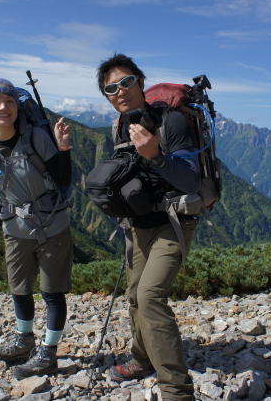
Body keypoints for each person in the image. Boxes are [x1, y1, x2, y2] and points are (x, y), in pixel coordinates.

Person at [96, 54, 200, 401]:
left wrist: (156, 155)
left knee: (150, 296)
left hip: (174, 222)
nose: (120, 91)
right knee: (134, 297)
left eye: (126, 82)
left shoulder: (171, 122)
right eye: (111, 88)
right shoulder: (120, 127)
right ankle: (142, 359)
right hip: (138, 224)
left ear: (140, 82)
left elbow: (191, 181)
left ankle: (177, 391)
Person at [0, 74, 73, 379]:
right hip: (14, 228)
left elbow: (63, 178)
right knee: (19, 289)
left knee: (51, 291)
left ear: (17, 107)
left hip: (52, 224)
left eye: (9, 101)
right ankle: (24, 340)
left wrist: (63, 149)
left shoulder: (35, 137)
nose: (4, 107)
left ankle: (48, 353)